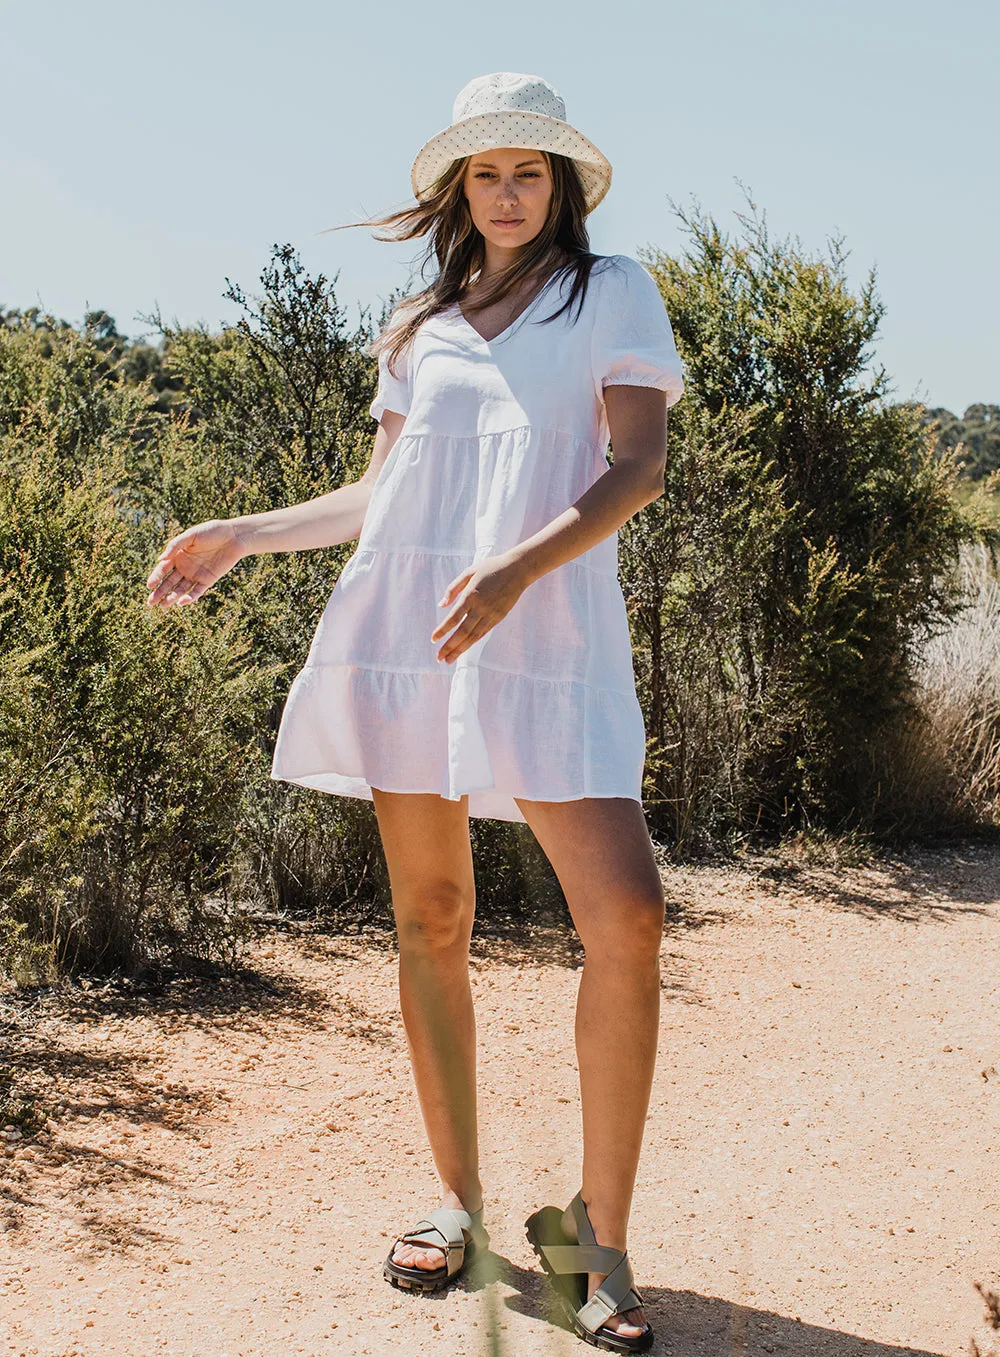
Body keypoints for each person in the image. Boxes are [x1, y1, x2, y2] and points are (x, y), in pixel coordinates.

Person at [146, 70, 684, 1355]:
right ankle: (457, 1197)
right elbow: (379, 500)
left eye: (530, 173)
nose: (507, 193)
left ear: (561, 188)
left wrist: (513, 569)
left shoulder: (611, 292)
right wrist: (247, 533)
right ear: (457, 190)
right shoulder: (419, 323)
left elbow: (636, 465)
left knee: (627, 912)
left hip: (540, 629)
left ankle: (597, 1238)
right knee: (430, 915)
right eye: (487, 174)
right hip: (413, 635)